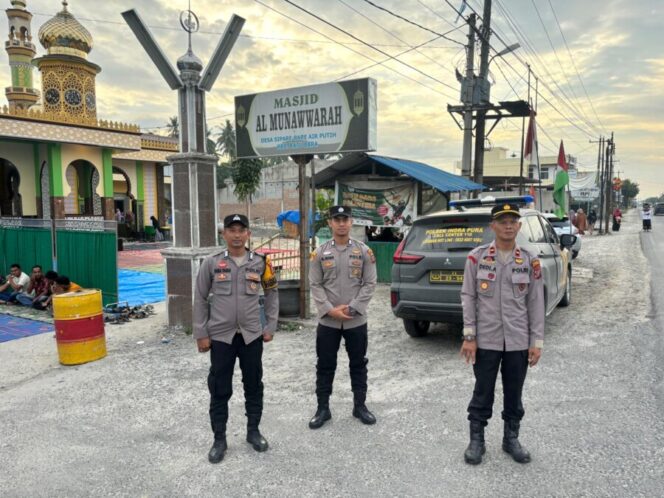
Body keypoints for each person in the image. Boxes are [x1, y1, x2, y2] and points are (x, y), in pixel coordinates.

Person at [459, 202, 545, 465]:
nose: (508, 225)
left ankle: (511, 439)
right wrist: (469, 337)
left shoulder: (530, 260)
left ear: (519, 226)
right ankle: (477, 440)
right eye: (503, 221)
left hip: (518, 340)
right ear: (492, 226)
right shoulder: (477, 257)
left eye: (513, 221)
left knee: (514, 392)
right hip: (486, 339)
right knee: (482, 390)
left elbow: (536, 303)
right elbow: (468, 297)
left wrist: (536, 341)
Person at [193, 213, 279, 464]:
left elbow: (272, 294)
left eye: (242, 230)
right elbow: (199, 298)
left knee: (254, 385)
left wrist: (270, 326)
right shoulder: (212, 263)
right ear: (224, 234)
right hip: (221, 337)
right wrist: (201, 333)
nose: (237, 234)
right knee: (220, 389)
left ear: (249, 234)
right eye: (232, 230)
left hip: (252, 335)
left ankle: (254, 431)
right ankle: (219, 439)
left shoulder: (261, 262)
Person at [308, 205, 378, 429]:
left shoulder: (364, 251)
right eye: (336, 219)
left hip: (355, 320)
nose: (341, 223)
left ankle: (360, 406)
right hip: (328, 321)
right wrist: (330, 309)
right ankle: (322, 409)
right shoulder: (319, 253)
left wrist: (353, 308)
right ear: (330, 222)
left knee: (358, 364)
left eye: (345, 219)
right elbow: (315, 284)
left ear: (351, 222)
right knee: (325, 365)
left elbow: (369, 283)